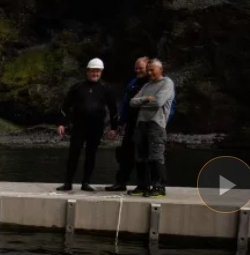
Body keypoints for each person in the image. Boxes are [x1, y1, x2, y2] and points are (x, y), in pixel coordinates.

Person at [56, 58, 119, 192]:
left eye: (98, 71)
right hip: (79, 126)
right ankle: (68, 182)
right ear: (88, 71)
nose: (95, 74)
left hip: (96, 127)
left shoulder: (106, 88)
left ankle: (86, 182)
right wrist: (62, 123)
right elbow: (65, 106)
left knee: (91, 154)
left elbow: (113, 109)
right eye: (93, 71)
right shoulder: (77, 87)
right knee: (74, 153)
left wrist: (114, 128)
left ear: (101, 72)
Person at [129, 58, 175, 197]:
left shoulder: (167, 83)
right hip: (142, 123)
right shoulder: (147, 85)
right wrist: (146, 99)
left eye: (152, 70)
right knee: (140, 156)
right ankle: (143, 185)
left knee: (156, 155)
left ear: (160, 69)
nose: (149, 72)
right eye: (148, 70)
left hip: (156, 124)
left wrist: (144, 101)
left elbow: (159, 102)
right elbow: (132, 102)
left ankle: (159, 186)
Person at [105, 56, 149, 191]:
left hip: (146, 124)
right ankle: (121, 182)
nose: (137, 70)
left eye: (140, 68)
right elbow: (125, 104)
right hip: (131, 123)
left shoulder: (154, 84)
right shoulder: (133, 83)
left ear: (148, 68)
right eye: (136, 68)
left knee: (143, 156)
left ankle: (144, 184)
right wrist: (119, 124)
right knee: (125, 154)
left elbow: (169, 105)